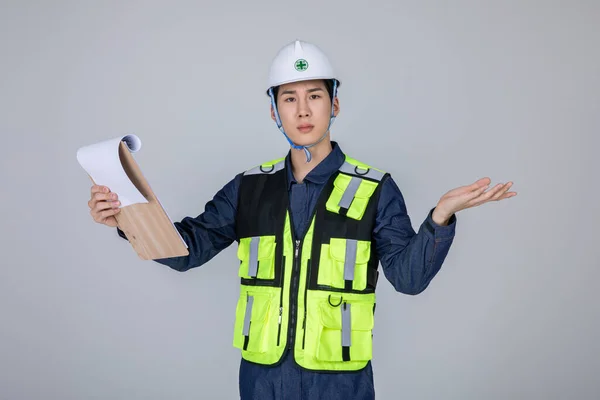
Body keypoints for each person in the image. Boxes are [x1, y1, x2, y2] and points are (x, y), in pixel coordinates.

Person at [87, 40, 516, 399]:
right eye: (289, 98)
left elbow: (408, 278)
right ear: (274, 111)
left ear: (335, 105)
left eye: (314, 95)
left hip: (340, 383)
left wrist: (440, 218)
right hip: (261, 380)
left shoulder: (375, 190)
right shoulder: (248, 188)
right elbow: (186, 250)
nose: (303, 110)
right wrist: (124, 219)